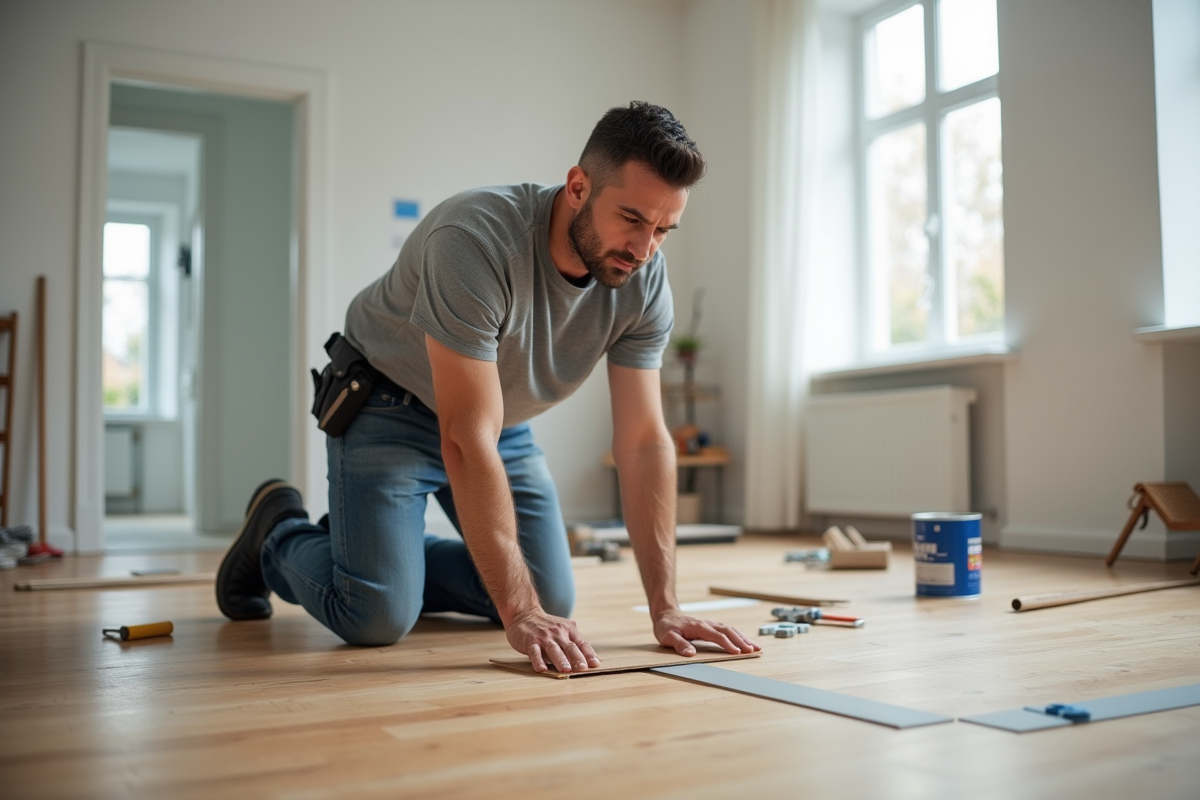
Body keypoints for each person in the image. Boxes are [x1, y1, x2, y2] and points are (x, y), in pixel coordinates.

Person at [215, 101, 759, 673]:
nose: (644, 249)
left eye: (663, 230)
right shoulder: (474, 238)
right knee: (375, 616)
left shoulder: (643, 279)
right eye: (631, 219)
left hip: (499, 422)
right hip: (389, 404)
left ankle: (372, 553)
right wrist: (519, 612)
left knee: (553, 596)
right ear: (579, 187)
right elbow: (464, 437)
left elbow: (644, 442)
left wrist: (666, 607)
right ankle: (278, 531)